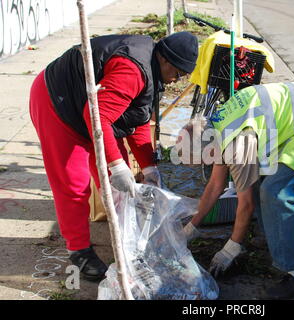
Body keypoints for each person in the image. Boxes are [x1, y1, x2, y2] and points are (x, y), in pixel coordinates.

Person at [29, 31, 198, 281]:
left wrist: (149, 166)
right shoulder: (132, 70)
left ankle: (129, 240)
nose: (176, 81)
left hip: (94, 109)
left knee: (119, 184)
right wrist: (118, 164)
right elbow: (95, 116)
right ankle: (78, 250)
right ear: (166, 61)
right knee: (73, 184)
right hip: (58, 104)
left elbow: (138, 120)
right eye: (178, 74)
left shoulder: (150, 68)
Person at [179, 81, 294, 299]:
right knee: (261, 183)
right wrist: (190, 228)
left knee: (275, 193)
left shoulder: (237, 143)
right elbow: (215, 185)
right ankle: (274, 238)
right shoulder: (215, 127)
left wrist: (232, 246)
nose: (205, 164)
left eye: (202, 160)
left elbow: (247, 204)